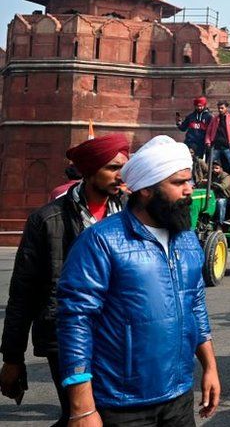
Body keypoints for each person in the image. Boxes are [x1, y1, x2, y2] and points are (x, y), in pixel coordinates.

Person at [57, 135, 220, 426]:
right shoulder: (101, 241)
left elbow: (195, 305)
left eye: (190, 181)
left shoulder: (187, 240)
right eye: (178, 183)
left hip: (179, 396)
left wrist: (209, 366)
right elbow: (76, 320)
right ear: (146, 190)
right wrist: (82, 408)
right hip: (121, 404)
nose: (189, 190)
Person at [1, 134, 129, 426]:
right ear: (89, 171)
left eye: (123, 167)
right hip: (65, 335)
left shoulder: (129, 215)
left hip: (118, 335)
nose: (120, 176)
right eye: (112, 168)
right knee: (83, 414)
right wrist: (12, 357)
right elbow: (23, 293)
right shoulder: (47, 220)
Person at [204, 100, 230, 186]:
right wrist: (208, 142)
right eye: (219, 108)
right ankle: (205, 184)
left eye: (222, 108)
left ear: (226, 108)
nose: (220, 110)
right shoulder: (215, 119)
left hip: (228, 147)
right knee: (208, 166)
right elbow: (208, 132)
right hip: (216, 147)